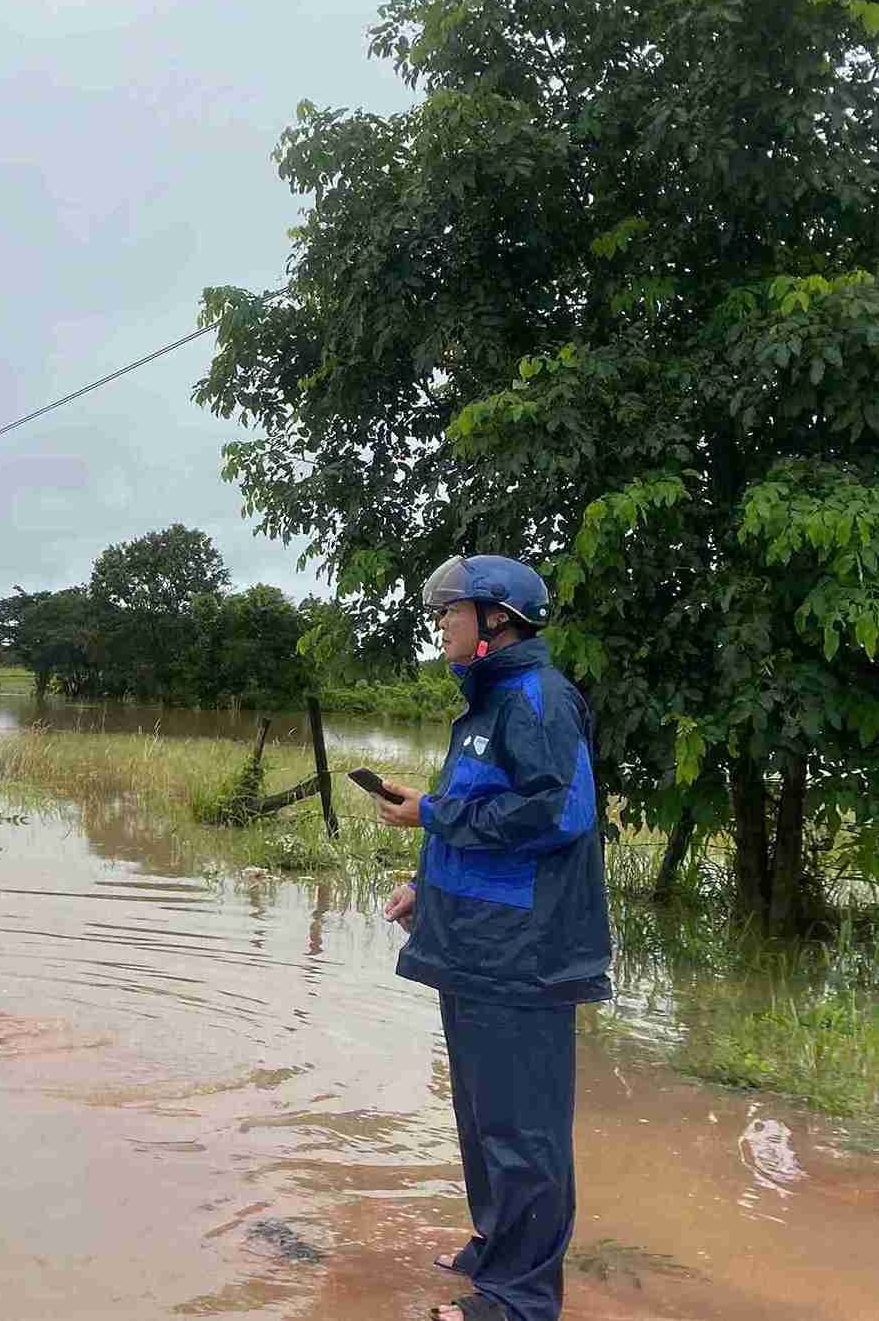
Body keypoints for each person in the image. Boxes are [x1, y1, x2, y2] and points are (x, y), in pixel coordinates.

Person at [371, 555, 610, 1321]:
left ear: (496, 620)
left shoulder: (539, 699)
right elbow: (476, 812)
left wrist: (432, 815)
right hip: (474, 947)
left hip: (525, 955)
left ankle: (522, 1300)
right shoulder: (484, 707)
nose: (441, 623)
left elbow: (555, 815)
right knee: (481, 1116)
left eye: (453, 611)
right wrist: (427, 884)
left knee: (522, 1126)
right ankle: (497, 1245)